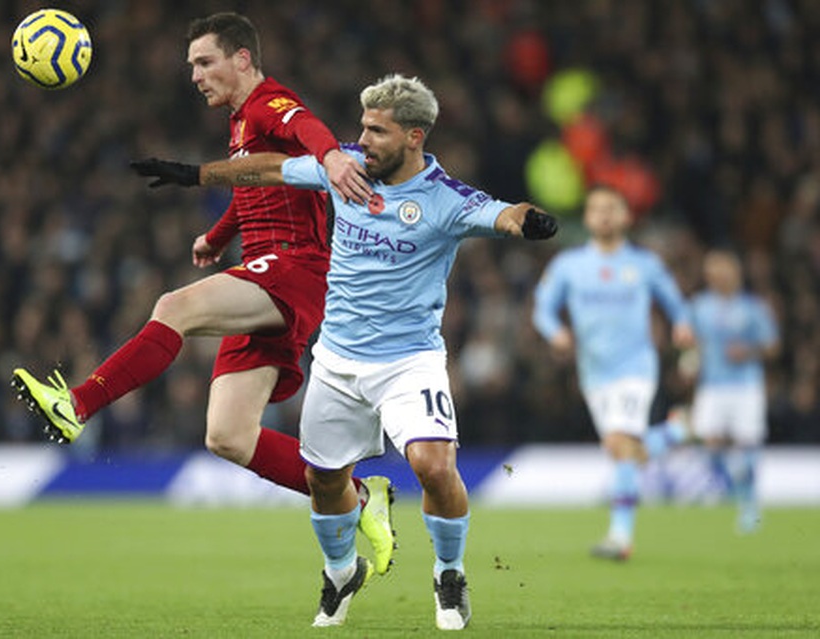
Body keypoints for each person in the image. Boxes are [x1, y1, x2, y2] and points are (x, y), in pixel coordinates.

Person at [157, 74, 557, 629]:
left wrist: (528, 222)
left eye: (377, 130)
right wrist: (198, 175)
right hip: (338, 361)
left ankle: (449, 572)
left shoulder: (444, 200)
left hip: (408, 361)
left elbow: (501, 212)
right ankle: (341, 572)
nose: (362, 139)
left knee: (433, 465)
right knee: (324, 480)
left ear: (414, 137)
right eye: (362, 127)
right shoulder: (344, 170)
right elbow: (273, 168)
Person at [11, 12, 394, 573]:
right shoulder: (240, 125)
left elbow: (307, 127)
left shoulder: (268, 102)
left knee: (174, 307)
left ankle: (77, 404)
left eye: (205, 61)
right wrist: (216, 238)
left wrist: (333, 157)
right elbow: (257, 182)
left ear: (242, 59)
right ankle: (361, 496)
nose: (194, 75)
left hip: (293, 268)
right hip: (266, 272)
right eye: (191, 65)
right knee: (228, 436)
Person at [532, 185, 694, 561]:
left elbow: (674, 301)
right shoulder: (568, 265)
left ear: (626, 216)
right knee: (622, 449)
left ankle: (620, 538)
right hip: (594, 372)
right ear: (587, 218)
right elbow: (542, 309)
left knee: (621, 446)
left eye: (611, 208)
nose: (604, 214)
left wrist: (681, 324)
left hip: (636, 366)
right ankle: (675, 431)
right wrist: (555, 332)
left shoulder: (644, 264)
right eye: (596, 208)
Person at [683, 249, 779, 532]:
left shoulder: (753, 307)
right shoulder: (699, 306)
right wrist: (689, 362)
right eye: (712, 273)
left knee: (747, 444)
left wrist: (748, 351)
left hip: (746, 386)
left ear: (735, 274)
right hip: (712, 385)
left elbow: (773, 347)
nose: (716, 278)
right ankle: (736, 488)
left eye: (722, 272)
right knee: (708, 444)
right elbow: (691, 341)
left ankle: (749, 507)